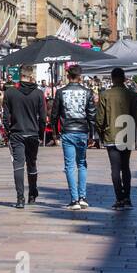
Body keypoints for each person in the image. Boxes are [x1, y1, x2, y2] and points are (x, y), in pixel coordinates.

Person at [96, 68, 137, 210]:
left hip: (111, 135)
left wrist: (100, 133)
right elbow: (136, 117)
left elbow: (100, 118)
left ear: (112, 78)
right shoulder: (133, 95)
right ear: (124, 78)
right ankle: (127, 198)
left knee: (115, 168)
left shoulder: (105, 95)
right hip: (127, 135)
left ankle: (119, 199)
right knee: (125, 167)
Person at [3, 66, 46, 209]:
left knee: (18, 165)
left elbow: (5, 117)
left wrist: (8, 132)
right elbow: (43, 118)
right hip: (33, 132)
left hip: (17, 132)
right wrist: (41, 133)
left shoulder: (10, 93)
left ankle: (20, 198)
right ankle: (32, 193)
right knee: (32, 163)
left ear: (20, 75)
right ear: (31, 75)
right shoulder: (39, 94)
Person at [51, 64, 93, 210]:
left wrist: (54, 133)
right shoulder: (87, 92)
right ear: (80, 77)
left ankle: (74, 200)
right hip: (82, 131)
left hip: (67, 131)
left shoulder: (61, 92)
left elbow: (54, 113)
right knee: (82, 163)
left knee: (69, 166)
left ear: (68, 76)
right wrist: (92, 134)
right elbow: (91, 115)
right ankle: (82, 197)